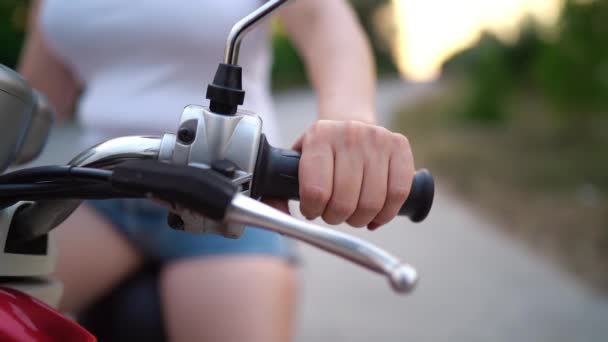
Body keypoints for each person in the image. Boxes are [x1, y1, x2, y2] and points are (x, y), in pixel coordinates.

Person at [18, 0, 416, 341]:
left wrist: (351, 124)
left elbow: (324, 23)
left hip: (229, 203)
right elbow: (31, 103)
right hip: (96, 191)